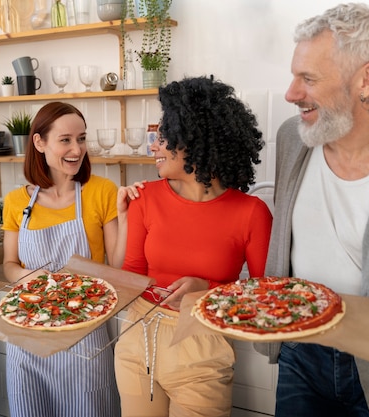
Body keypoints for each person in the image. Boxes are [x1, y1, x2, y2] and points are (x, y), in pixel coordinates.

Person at [254, 3, 369, 417]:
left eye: (308, 78)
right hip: (299, 358)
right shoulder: (294, 137)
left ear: (366, 79)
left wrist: (340, 322)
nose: (291, 93)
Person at [114, 75, 273, 417]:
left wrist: (208, 290)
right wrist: (122, 222)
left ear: (195, 141)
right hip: (138, 338)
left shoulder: (252, 213)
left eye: (164, 135)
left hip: (203, 348)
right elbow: (130, 276)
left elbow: (265, 298)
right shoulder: (145, 198)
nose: (154, 145)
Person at [1, 101, 121, 417]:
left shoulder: (103, 192)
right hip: (27, 332)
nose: (77, 148)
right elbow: (9, 264)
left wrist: (125, 214)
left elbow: (118, 266)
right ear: (39, 143)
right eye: (65, 140)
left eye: (81, 138)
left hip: (85, 333)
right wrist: (27, 278)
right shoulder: (16, 201)